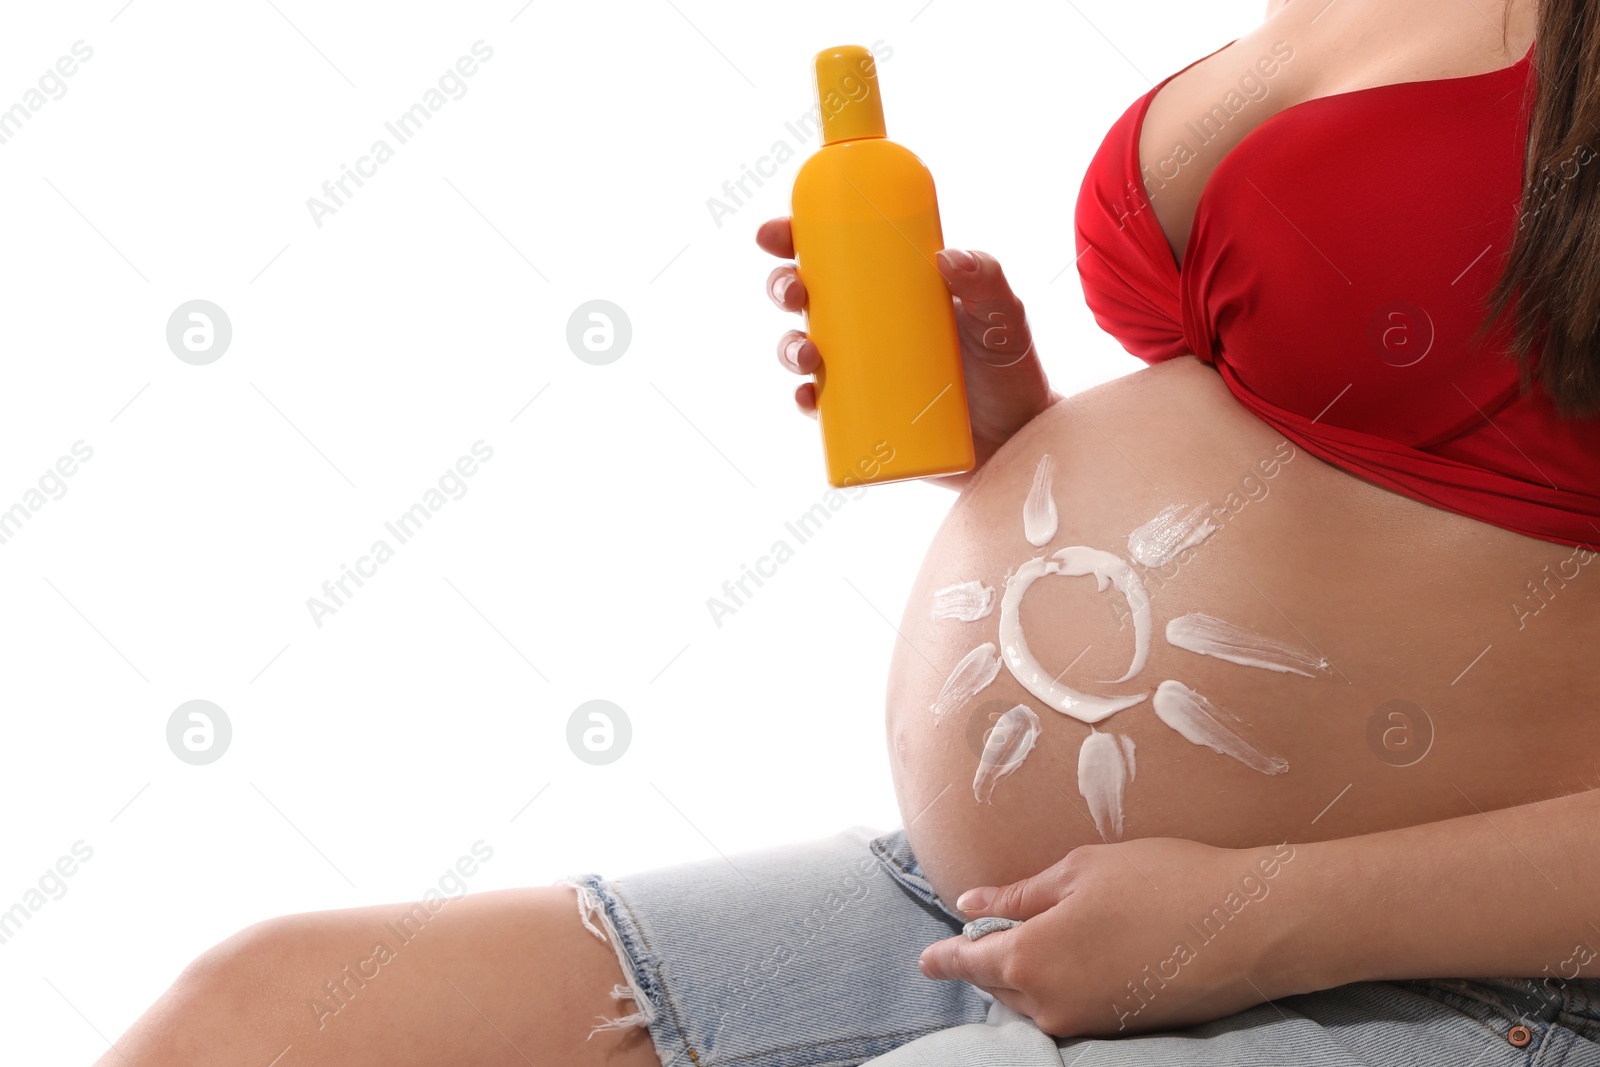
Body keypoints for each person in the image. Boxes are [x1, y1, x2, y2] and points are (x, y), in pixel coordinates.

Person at [95, 0, 1600, 1063]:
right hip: (1032, 917)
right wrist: (1022, 445)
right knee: (256, 1024)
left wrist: (1250, 922)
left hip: (1451, 972)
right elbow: (1395, 473)